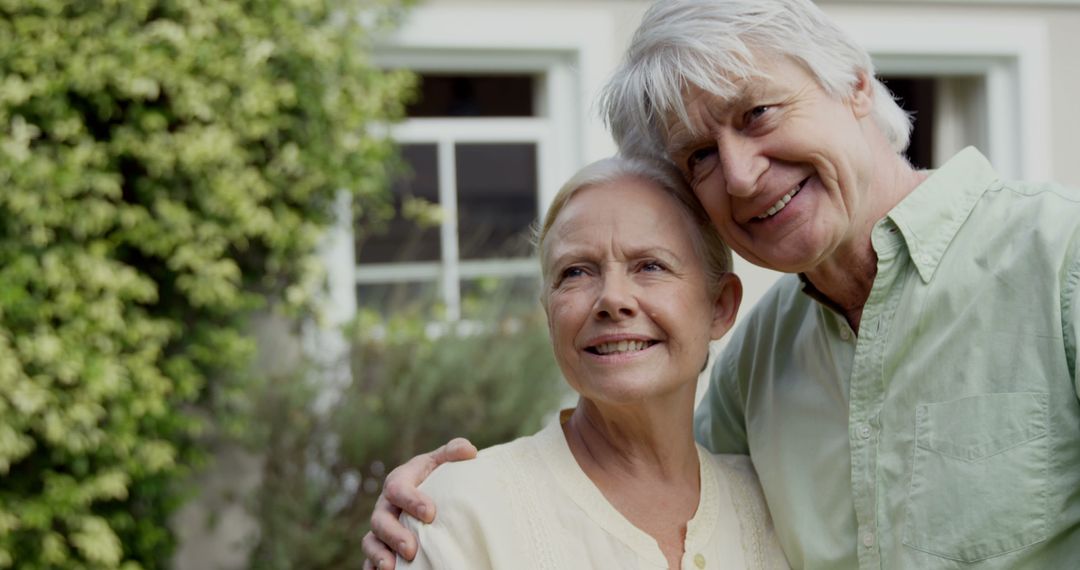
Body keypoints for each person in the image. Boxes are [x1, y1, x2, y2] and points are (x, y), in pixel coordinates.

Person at [364, 1, 1080, 568]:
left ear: (857, 85)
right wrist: (450, 511)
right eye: (700, 154)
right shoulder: (759, 357)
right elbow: (649, 485)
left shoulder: (1060, 260)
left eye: (757, 113)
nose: (740, 175)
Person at [394, 155, 789, 569]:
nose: (612, 300)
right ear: (549, 313)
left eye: (651, 266)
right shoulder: (462, 512)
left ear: (720, 307)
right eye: (576, 272)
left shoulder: (772, 506)